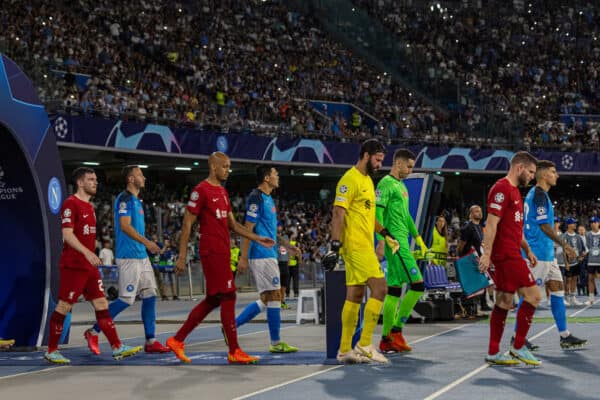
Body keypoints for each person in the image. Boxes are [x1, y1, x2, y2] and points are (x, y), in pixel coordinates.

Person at [166, 152, 274, 364]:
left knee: (213, 299)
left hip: (223, 251)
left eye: (229, 166)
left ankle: (177, 340)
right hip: (211, 251)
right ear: (213, 167)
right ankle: (234, 350)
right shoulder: (200, 191)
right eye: (224, 166)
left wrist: (257, 237)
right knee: (229, 296)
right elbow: (187, 223)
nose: (228, 170)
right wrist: (181, 255)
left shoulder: (223, 192)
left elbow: (233, 225)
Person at [45, 167, 142, 363]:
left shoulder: (90, 207)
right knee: (64, 305)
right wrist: (87, 252)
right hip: (74, 265)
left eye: (96, 179)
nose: (95, 182)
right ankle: (52, 350)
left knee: (101, 303)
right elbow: (67, 234)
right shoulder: (71, 204)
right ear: (80, 183)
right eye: (90, 179)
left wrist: (90, 255)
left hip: (89, 267)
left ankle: (116, 346)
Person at [322, 138, 400, 364]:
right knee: (380, 288)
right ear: (366, 155)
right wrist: (335, 245)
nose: (379, 164)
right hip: (355, 246)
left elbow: (369, 216)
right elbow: (338, 212)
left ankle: (345, 349)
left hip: (364, 244)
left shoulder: (367, 181)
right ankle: (365, 343)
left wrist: (385, 233)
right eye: (377, 160)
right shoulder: (349, 179)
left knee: (355, 296)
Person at [84, 166, 170, 355]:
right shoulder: (124, 199)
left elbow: (135, 229)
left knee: (150, 295)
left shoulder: (137, 202)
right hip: (129, 257)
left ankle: (151, 340)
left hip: (141, 256)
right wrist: (148, 242)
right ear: (131, 179)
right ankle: (93, 331)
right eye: (140, 174)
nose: (144, 177)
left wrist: (147, 244)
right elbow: (124, 226)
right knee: (125, 299)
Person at [479, 151, 542, 366]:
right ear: (519, 168)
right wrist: (487, 255)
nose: (532, 176)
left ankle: (493, 351)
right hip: (505, 255)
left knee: (504, 301)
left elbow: (516, 229)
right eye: (531, 172)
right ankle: (518, 346)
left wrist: (529, 250)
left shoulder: (515, 192)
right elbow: (491, 224)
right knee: (534, 296)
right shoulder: (501, 189)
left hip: (513, 251)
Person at [519, 160, 586, 350]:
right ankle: (518, 337)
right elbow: (544, 226)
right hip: (537, 254)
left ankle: (564, 335)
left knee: (557, 289)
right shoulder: (538, 194)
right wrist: (565, 245)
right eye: (553, 172)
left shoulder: (542, 196)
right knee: (531, 296)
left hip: (547, 254)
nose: (557, 175)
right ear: (543, 175)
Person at [234, 166, 299, 354]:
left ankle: (231, 328)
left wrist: (288, 246)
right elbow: (247, 228)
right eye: (275, 174)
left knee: (267, 298)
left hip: (269, 254)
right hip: (261, 254)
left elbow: (271, 232)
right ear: (266, 178)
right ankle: (276, 342)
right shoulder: (256, 198)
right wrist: (243, 257)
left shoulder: (269, 199)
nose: (278, 177)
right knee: (276, 295)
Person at [375, 149, 429, 354]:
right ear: (398, 164)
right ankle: (396, 331)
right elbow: (377, 212)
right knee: (418, 285)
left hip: (403, 242)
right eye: (409, 166)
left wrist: (418, 238)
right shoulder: (386, 184)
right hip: (395, 244)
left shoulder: (401, 186)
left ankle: (386, 339)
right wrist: (382, 241)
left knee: (395, 290)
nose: (410, 170)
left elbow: (406, 216)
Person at [458, 205, 492, 312]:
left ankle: (483, 304)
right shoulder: (468, 227)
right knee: (473, 284)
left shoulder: (480, 226)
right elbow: (461, 245)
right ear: (471, 214)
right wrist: (462, 256)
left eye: (480, 211)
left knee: (483, 281)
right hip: (469, 258)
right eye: (477, 211)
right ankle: (465, 306)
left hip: (479, 257)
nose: (480, 213)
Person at [561, 218, 586, 306]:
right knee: (568, 280)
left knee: (575, 279)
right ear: (568, 225)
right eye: (573, 223)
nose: (575, 225)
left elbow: (582, 249)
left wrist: (582, 256)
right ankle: (566, 297)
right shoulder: (564, 236)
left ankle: (572, 297)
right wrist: (566, 263)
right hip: (568, 263)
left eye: (575, 223)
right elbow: (563, 251)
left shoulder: (578, 236)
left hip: (576, 262)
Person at [585, 216, 600, 305]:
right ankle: (591, 299)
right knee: (590, 279)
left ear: (599, 223)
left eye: (595, 222)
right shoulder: (588, 234)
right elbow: (588, 247)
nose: (593, 224)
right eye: (591, 222)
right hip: (591, 260)